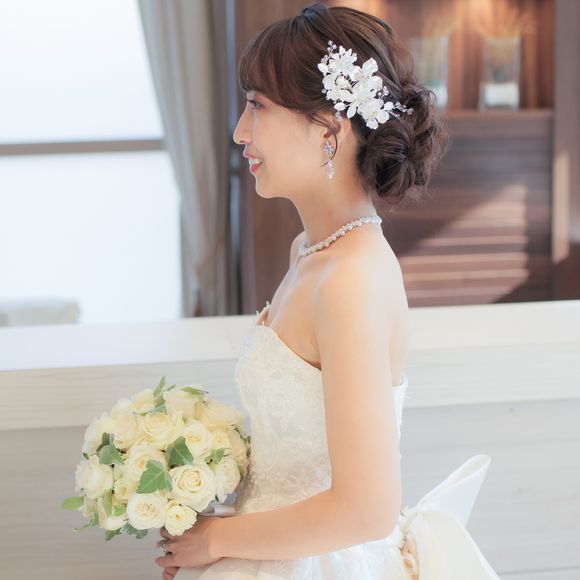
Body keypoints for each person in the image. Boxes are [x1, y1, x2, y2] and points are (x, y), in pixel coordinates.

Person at [155, 3, 500, 579]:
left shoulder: (350, 280)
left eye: (257, 105)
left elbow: (366, 509)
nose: (240, 131)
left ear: (330, 129)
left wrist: (216, 541)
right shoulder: (311, 253)